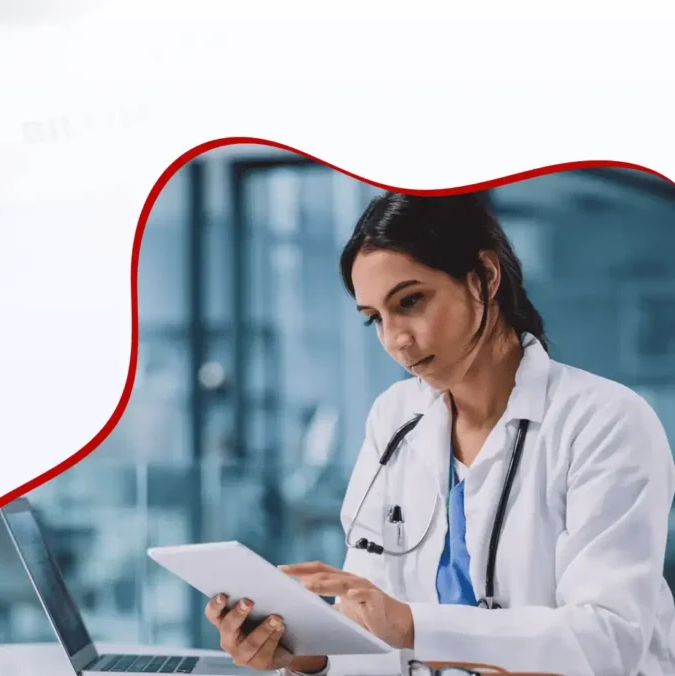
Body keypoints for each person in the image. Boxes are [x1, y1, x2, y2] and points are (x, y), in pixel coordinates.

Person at [203, 191, 675, 676]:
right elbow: (370, 627)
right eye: (375, 319)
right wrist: (309, 658)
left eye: (411, 301)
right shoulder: (394, 419)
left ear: (485, 278)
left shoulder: (605, 421)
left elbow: (608, 642)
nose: (395, 339)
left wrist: (412, 626)